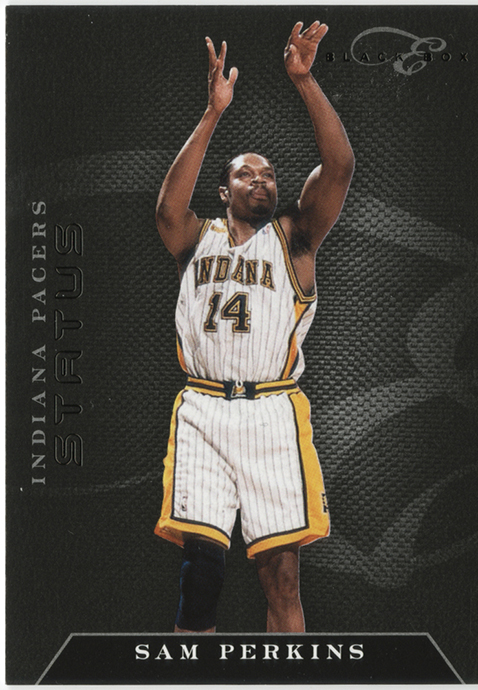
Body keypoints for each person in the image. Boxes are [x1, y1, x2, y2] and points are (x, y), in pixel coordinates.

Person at [154, 20, 354, 633]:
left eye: (268, 174)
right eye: (246, 174)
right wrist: (213, 112)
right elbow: (166, 208)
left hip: (271, 410)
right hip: (205, 408)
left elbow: (340, 166)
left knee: (283, 579)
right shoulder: (196, 238)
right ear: (224, 190)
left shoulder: (294, 238)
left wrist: (305, 80)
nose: (261, 180)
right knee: (202, 572)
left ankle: (287, 674)